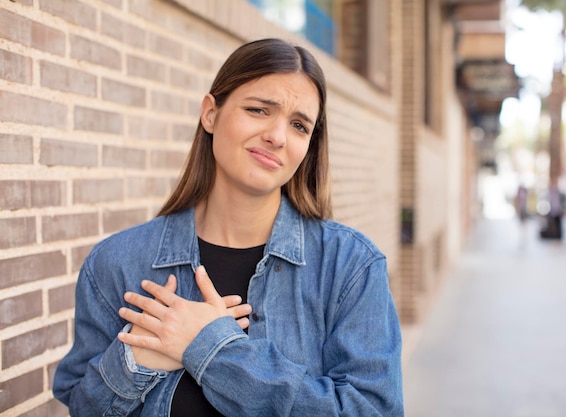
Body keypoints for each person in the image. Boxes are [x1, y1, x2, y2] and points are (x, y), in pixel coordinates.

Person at [53, 38, 403, 416]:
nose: (277, 136)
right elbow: (82, 406)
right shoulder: (117, 262)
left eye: (299, 125)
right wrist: (134, 360)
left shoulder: (350, 266)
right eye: (258, 110)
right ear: (210, 114)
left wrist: (212, 348)